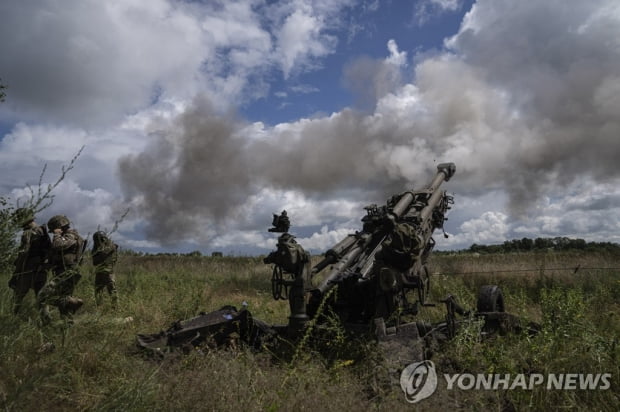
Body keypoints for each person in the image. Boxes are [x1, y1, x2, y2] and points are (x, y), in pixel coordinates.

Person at [37, 214, 85, 325]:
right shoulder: (68, 236)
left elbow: (58, 246)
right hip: (65, 271)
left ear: (59, 226)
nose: (53, 231)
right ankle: (67, 324)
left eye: (54, 228)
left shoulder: (71, 235)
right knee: (63, 302)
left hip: (67, 272)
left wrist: (57, 234)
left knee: (42, 296)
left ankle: (73, 302)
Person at [8, 208, 50, 315]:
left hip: (28, 269)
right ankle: (46, 322)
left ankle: (10, 320)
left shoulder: (28, 233)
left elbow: (23, 253)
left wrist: (16, 273)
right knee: (42, 299)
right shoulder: (42, 231)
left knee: (17, 298)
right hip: (42, 268)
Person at [91, 231, 118, 308]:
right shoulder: (96, 249)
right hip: (99, 272)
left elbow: (104, 253)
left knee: (112, 290)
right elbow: (94, 262)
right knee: (98, 291)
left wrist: (98, 252)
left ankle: (115, 308)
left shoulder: (111, 245)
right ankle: (99, 308)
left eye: (97, 240)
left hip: (108, 271)